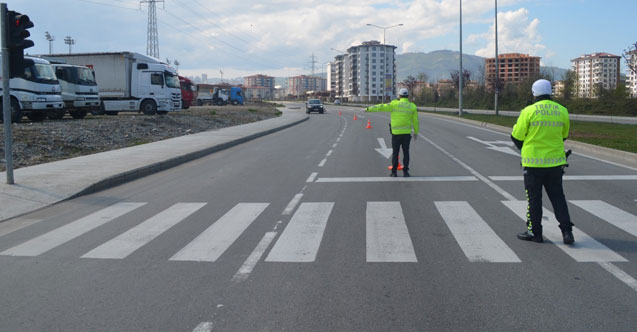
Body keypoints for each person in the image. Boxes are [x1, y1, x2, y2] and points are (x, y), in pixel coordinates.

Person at [511, 79, 574, 244]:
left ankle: (535, 233)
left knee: (534, 199)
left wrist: (526, 146)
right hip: (555, 164)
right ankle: (567, 232)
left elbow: (516, 137)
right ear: (550, 92)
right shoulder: (562, 110)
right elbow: (564, 135)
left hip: (533, 165)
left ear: (534, 93)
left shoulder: (529, 111)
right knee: (558, 197)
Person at [366, 88, 419, 177]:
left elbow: (381, 107)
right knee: (406, 152)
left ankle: (394, 172)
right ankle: (405, 172)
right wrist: (416, 132)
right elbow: (415, 121)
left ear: (399, 96)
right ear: (408, 96)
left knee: (395, 152)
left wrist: (368, 109)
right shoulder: (412, 106)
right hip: (406, 134)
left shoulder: (394, 104)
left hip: (396, 134)